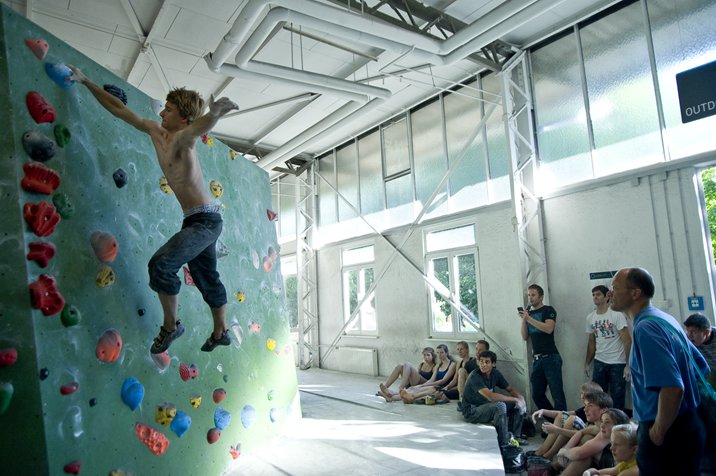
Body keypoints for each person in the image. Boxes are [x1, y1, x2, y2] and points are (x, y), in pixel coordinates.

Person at [69, 66, 239, 354]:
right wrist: (86, 81)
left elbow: (199, 128)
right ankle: (220, 331)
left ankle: (172, 327)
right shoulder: (155, 131)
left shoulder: (184, 140)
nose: (162, 113)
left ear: (183, 118)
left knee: (161, 265)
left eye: (169, 110)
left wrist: (214, 114)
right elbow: (121, 110)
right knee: (205, 276)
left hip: (207, 220)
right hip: (193, 221)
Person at [609, 267, 708, 476]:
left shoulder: (646, 328)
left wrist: (657, 431)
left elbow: (673, 388)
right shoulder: (666, 319)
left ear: (635, 293)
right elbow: (700, 366)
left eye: (615, 288)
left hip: (669, 432)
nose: (610, 293)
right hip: (689, 424)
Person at [458, 350, 527, 448]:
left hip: (485, 406)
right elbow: (490, 396)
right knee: (500, 405)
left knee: (517, 405)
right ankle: (503, 441)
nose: (483, 364)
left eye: (487, 362)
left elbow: (510, 389)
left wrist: (520, 398)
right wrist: (515, 399)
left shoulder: (495, 374)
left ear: (493, 364)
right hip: (472, 410)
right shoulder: (475, 376)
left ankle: (515, 436)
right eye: (481, 361)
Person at [519, 283, 567, 410]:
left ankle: (562, 426)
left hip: (550, 357)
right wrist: (524, 320)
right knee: (537, 395)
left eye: (533, 295)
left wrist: (529, 319)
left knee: (557, 394)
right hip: (537, 359)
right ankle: (553, 422)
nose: (530, 298)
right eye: (529, 295)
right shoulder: (529, 314)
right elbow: (524, 336)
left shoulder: (548, 310)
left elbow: (549, 329)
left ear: (541, 297)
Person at [584, 285, 632, 411]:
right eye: (593, 294)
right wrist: (587, 363)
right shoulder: (590, 317)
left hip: (618, 363)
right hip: (600, 361)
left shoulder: (616, 315)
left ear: (606, 297)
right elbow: (591, 342)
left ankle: (617, 427)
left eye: (598, 294)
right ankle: (600, 427)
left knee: (617, 398)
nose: (595, 297)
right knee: (597, 398)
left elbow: (627, 340)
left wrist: (628, 364)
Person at [531, 381, 602, 459]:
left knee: (572, 419)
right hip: (581, 433)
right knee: (561, 415)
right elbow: (562, 413)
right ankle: (542, 450)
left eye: (583, 393)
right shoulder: (585, 408)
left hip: (587, 437)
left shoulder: (597, 412)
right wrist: (543, 411)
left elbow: (584, 433)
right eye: (581, 393)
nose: (581, 396)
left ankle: (548, 455)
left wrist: (557, 430)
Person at [554, 408, 629, 476]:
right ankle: (553, 466)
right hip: (607, 466)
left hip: (617, 468)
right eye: (602, 421)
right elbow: (581, 432)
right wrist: (566, 449)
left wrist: (564, 452)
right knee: (587, 440)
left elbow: (579, 454)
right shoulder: (603, 431)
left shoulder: (624, 435)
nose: (602, 426)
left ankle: (553, 466)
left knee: (585, 454)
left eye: (607, 422)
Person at [684, 313, 716, 387]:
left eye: (693, 332)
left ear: (706, 332)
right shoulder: (688, 339)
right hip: (709, 370)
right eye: (688, 331)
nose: (689, 335)